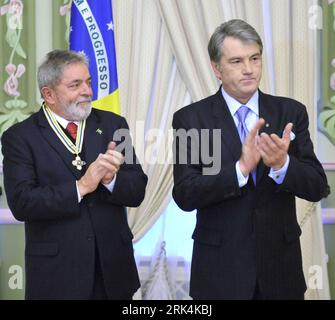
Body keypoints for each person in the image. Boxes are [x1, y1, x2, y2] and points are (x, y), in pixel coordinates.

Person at [172, 19, 330, 300]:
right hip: (220, 276)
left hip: (281, 275)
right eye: (236, 61)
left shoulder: (289, 113)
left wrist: (282, 166)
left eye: (254, 58)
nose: (248, 69)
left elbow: (318, 186)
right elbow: (186, 193)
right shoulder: (192, 119)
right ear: (216, 68)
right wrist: (240, 169)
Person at [1, 50, 148, 300]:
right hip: (56, 277)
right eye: (75, 85)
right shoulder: (20, 137)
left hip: (112, 275)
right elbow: (23, 203)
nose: (87, 91)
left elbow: (137, 190)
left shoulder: (114, 125)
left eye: (88, 82)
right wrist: (81, 186)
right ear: (49, 94)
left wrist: (111, 180)